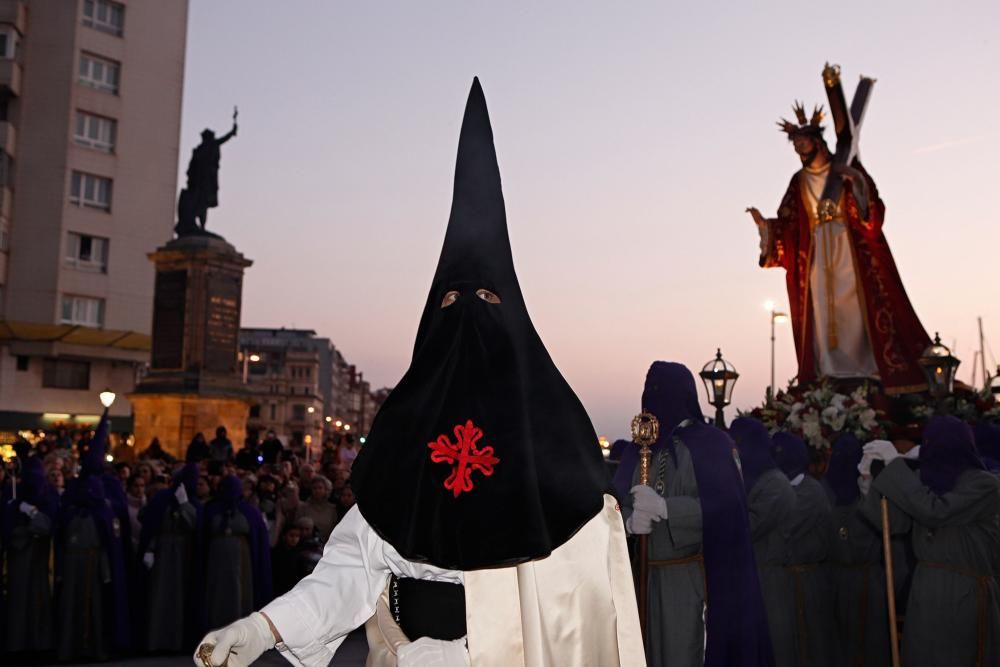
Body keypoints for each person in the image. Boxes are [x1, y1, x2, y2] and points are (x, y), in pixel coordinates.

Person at [195, 78, 642, 667]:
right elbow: (352, 571)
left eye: (486, 297)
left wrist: (459, 655)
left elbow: (576, 614)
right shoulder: (405, 433)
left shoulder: (556, 447)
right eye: (451, 303)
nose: (467, 320)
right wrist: (266, 627)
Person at [747, 97, 931, 391]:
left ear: (817, 142)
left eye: (802, 144)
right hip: (817, 255)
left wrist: (856, 182)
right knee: (820, 310)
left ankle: (865, 366)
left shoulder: (843, 169)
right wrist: (766, 228)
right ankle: (830, 370)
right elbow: (789, 224)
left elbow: (871, 211)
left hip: (849, 250)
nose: (798, 150)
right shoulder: (799, 182)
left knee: (857, 307)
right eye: (794, 146)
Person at [614, 363, 774, 667]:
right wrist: (628, 523)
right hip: (641, 581)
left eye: (661, 391)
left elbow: (728, 513)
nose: (651, 398)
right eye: (648, 390)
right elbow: (615, 503)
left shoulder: (711, 445)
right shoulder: (640, 450)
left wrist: (667, 509)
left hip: (689, 583)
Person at [864, 416, 1000, 666]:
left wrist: (896, 466)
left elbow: (935, 512)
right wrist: (870, 481)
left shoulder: (984, 484)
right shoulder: (925, 484)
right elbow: (893, 524)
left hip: (964, 592)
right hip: (925, 591)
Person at [54, 415, 130, 661]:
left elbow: (117, 520)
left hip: (97, 558)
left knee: (97, 605)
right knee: (71, 604)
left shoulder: (110, 485)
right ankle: (70, 647)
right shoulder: (76, 487)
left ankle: (96, 646)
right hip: (74, 557)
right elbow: (63, 518)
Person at [729, 417, 796, 667]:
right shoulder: (751, 479)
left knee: (773, 650)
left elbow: (749, 525)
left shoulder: (775, 484)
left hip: (769, 582)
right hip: (750, 577)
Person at [822, 433, 891, 667]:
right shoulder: (825, 492)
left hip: (866, 582)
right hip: (835, 579)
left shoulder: (870, 493)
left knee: (867, 643)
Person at [772, 432, 835, 667]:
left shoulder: (811, 490)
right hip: (784, 582)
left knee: (808, 647)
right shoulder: (779, 486)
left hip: (805, 582)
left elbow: (783, 525)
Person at [137, 464, 203, 653]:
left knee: (181, 598)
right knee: (160, 596)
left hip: (184, 555)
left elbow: (194, 525)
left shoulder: (192, 502)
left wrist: (184, 505)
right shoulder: (162, 498)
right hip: (163, 553)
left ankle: (178, 642)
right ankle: (157, 641)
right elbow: (150, 521)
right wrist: (150, 548)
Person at [199, 475, 272, 633]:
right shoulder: (212, 509)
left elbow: (258, 537)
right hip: (216, 559)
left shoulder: (249, 511)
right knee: (216, 592)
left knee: (240, 590)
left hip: (241, 560)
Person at [3, 457, 58, 657]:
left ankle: (39, 642)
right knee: (19, 598)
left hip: (41, 554)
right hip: (21, 552)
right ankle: (18, 643)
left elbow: (50, 523)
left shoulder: (47, 492)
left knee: (38, 597)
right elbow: (8, 523)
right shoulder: (14, 491)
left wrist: (33, 514)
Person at [297, 475, 338, 544]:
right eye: (314, 488)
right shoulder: (303, 507)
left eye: (320, 488)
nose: (317, 490)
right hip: (306, 545)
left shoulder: (333, 509)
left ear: (326, 490)